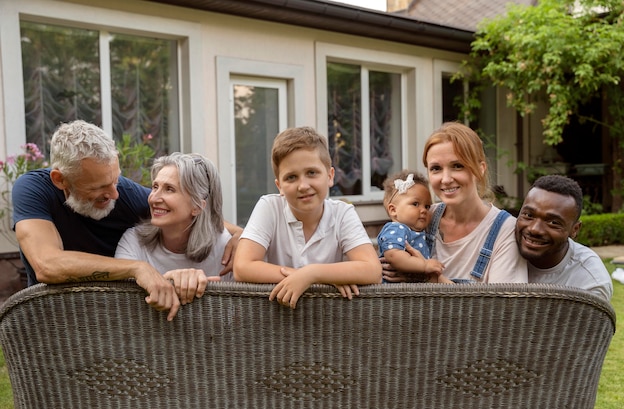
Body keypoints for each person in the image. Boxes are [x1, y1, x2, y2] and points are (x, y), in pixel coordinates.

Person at [12, 120, 241, 321]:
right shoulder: (33, 190)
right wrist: (137, 268)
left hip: (110, 317)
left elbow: (192, 210)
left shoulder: (124, 193)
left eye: (115, 180)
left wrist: (241, 234)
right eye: (99, 187)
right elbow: (47, 265)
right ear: (60, 180)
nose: (115, 194)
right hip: (50, 316)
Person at [233, 126, 382, 309]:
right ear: (279, 186)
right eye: (291, 177)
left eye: (311, 173)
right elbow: (242, 267)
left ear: (330, 176)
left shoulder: (342, 213)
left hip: (327, 316)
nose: (303, 185)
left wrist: (313, 274)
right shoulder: (270, 207)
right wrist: (306, 277)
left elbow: (372, 270)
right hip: (278, 316)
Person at [415, 121, 528, 283]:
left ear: (480, 169)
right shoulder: (423, 218)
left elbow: (504, 306)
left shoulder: (505, 230)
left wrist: (433, 278)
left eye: (457, 166)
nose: (446, 179)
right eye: (436, 168)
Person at [115, 153, 232, 306]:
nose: (153, 198)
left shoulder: (225, 247)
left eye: (169, 189)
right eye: (155, 187)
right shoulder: (133, 240)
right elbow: (122, 304)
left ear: (197, 206)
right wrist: (169, 280)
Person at [516, 174, 613, 302]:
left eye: (553, 223)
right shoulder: (500, 246)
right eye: (528, 215)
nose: (534, 229)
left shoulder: (589, 282)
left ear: (575, 230)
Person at [377, 169, 450, 283]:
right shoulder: (396, 229)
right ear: (393, 210)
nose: (424, 210)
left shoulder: (419, 232)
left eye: (427, 206)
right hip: (392, 294)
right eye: (415, 204)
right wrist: (424, 265)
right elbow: (393, 255)